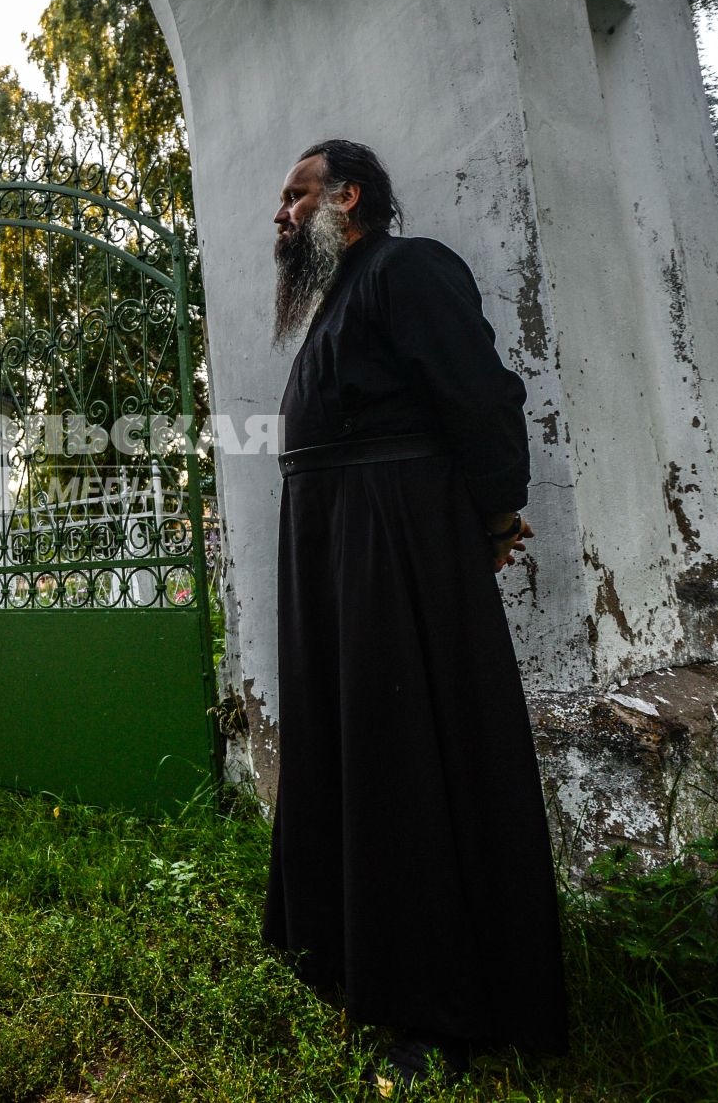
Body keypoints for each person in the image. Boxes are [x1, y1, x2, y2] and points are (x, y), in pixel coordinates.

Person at [260, 140, 569, 1086]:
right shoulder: (337, 299)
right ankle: (357, 964)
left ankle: (439, 1008)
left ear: (348, 197)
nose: (280, 214)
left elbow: (479, 397)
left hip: (392, 546)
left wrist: (491, 512)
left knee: (406, 758)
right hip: (337, 548)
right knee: (354, 748)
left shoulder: (406, 268)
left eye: (296, 194)